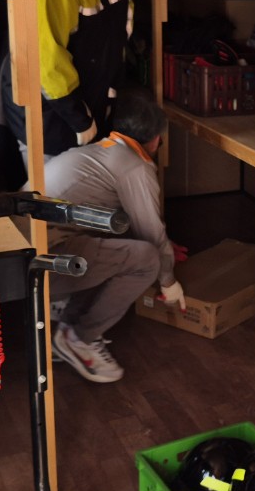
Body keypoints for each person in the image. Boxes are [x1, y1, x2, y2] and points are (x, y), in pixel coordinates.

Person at [24, 92, 185, 383]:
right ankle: (80, 338)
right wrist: (169, 281)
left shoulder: (102, 150)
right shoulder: (134, 165)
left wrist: (167, 250)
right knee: (146, 260)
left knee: (112, 241)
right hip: (40, 264)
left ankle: (69, 328)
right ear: (155, 139)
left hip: (19, 253)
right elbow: (151, 231)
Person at [0, 0, 157, 166]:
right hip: (49, 117)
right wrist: (80, 119)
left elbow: (117, 38)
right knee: (55, 189)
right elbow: (46, 61)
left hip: (89, 111)